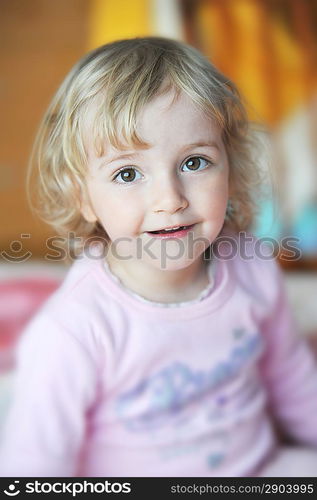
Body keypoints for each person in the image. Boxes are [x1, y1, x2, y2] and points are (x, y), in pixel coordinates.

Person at [1, 37, 317, 478]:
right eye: (127, 173)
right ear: (84, 198)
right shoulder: (74, 330)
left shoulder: (250, 266)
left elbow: (291, 377)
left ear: (232, 163)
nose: (169, 199)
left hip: (260, 468)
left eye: (194, 163)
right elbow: (34, 466)